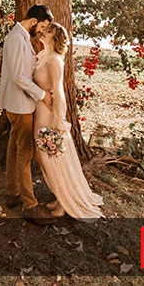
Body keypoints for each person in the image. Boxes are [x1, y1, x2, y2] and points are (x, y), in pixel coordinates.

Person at [33, 22, 104, 221]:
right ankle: (59, 196)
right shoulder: (43, 56)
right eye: (45, 30)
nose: (43, 33)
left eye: (48, 32)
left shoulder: (55, 60)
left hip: (49, 114)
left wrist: (58, 119)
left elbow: (59, 90)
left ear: (55, 40)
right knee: (43, 158)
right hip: (39, 111)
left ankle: (66, 202)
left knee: (53, 158)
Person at [0, 4, 57, 226]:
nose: (42, 31)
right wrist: (42, 94)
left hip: (18, 104)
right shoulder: (16, 39)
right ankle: (30, 206)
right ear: (34, 21)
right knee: (26, 153)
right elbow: (19, 77)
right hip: (20, 105)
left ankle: (12, 194)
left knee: (14, 147)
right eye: (42, 26)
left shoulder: (21, 37)